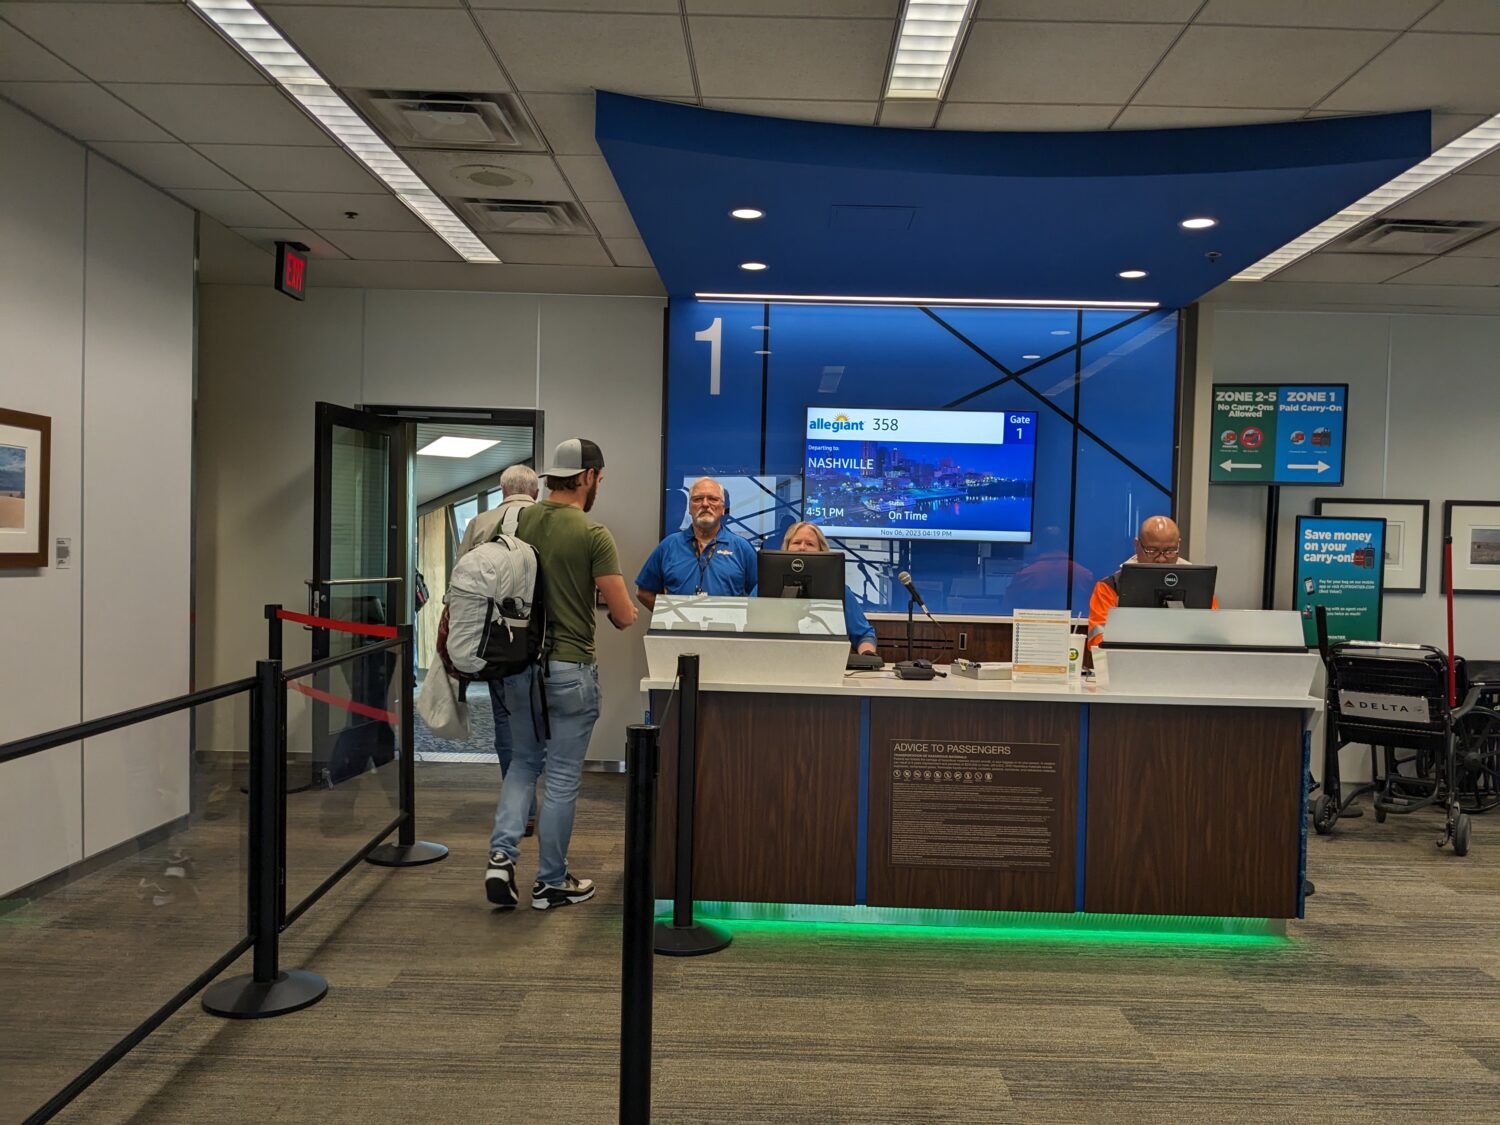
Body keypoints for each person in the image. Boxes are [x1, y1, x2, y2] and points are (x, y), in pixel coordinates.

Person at [485, 439, 637, 911]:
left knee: (524, 764)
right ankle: (550, 881)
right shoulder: (592, 532)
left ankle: (501, 856)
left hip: (521, 666)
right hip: (571, 669)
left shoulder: (519, 520)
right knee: (564, 775)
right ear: (589, 476)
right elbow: (625, 613)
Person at [456, 464, 540, 835]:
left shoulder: (480, 523)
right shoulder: (544, 519)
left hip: (497, 641)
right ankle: (544, 804)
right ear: (534, 491)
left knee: (506, 721)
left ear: (502, 489)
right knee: (546, 723)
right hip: (541, 638)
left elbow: (461, 581)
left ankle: (524, 809)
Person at [1087, 515, 1215, 649]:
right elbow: (1098, 642)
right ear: (1137, 545)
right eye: (1152, 551)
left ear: (1178, 545)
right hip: (1128, 664)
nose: (1161, 559)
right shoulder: (1111, 587)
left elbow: (1213, 636)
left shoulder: (1199, 586)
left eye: (1170, 551)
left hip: (1187, 664)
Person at [635, 476, 757, 611]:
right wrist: (668, 615)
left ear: (723, 509)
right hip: (680, 631)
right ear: (689, 508)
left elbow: (761, 593)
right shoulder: (669, 546)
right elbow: (644, 593)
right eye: (698, 499)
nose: (705, 504)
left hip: (727, 631)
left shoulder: (742, 548)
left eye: (713, 499)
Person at [781, 521, 878, 655]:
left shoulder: (839, 589)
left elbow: (864, 635)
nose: (802, 548)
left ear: (822, 551)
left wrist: (867, 656)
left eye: (810, 544)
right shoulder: (764, 587)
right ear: (786, 547)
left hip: (826, 663)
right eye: (797, 542)